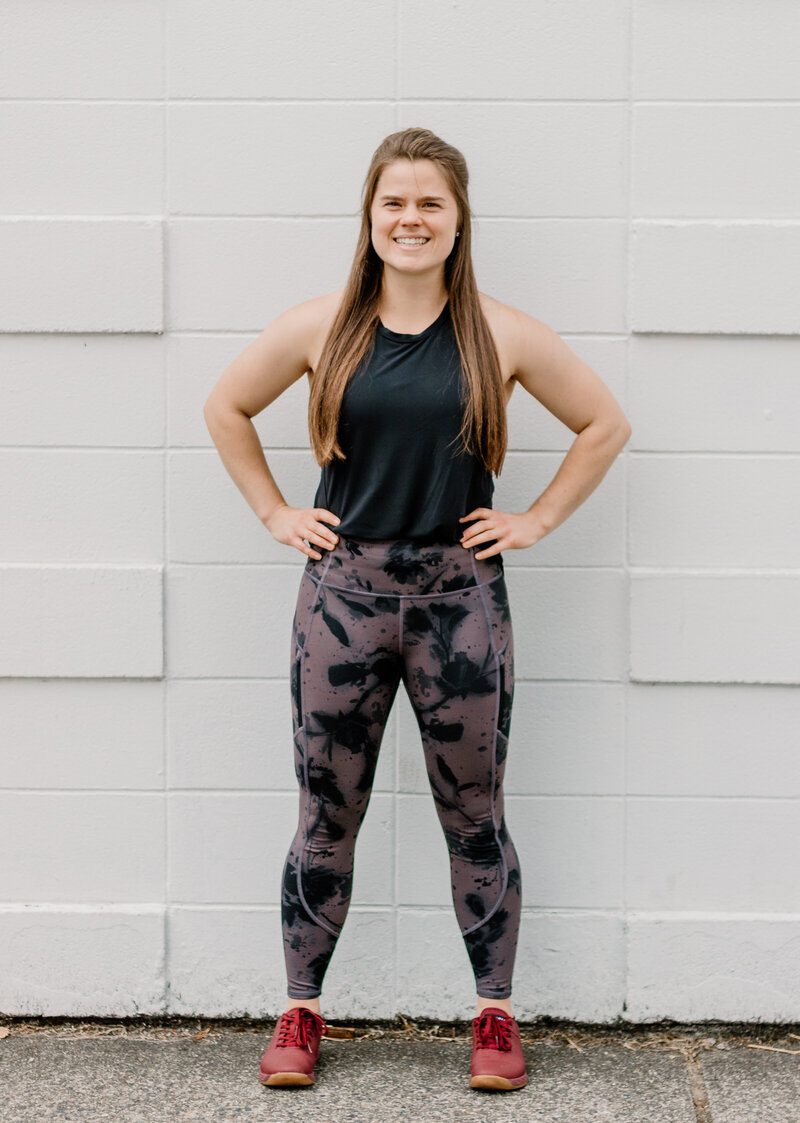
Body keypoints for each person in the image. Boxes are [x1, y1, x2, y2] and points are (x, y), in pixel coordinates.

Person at [203, 126, 631, 1092]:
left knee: (474, 815)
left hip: (460, 605)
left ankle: (493, 1018)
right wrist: (275, 511)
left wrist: (536, 519)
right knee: (326, 814)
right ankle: (302, 1011)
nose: (410, 218)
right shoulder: (323, 327)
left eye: (429, 203)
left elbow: (605, 423)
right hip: (342, 601)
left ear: (457, 218)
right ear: (369, 215)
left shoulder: (499, 330)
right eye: (394, 201)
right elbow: (225, 407)